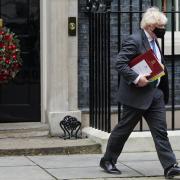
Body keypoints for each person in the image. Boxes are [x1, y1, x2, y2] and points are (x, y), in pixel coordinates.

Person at [99, 7, 180, 179]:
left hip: (155, 94)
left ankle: (170, 166)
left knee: (160, 132)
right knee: (123, 130)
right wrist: (136, 78)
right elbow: (120, 63)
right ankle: (107, 160)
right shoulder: (135, 40)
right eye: (160, 26)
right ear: (151, 26)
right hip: (137, 94)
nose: (163, 29)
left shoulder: (153, 40)